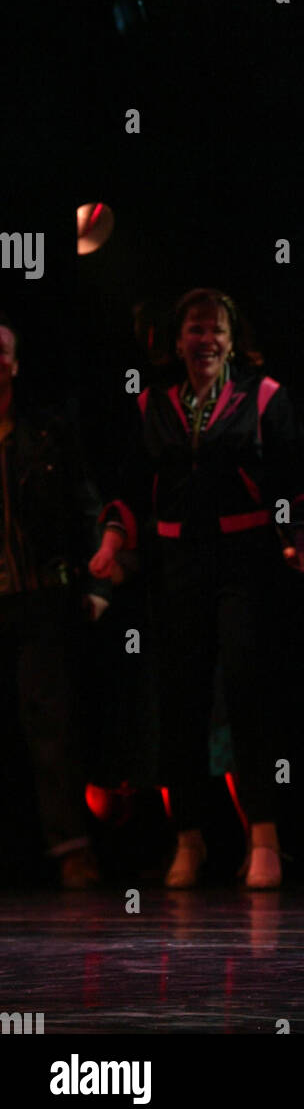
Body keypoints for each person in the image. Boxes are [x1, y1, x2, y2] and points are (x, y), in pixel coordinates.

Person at [90, 288, 304, 890]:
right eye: (194, 329)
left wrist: (298, 538)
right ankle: (188, 839)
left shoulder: (263, 397)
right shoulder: (151, 405)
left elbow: (294, 479)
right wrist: (113, 543)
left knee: (246, 691)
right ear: (178, 340)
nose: (205, 340)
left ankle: (262, 840)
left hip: (245, 564)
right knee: (180, 701)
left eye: (215, 329)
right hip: (176, 565)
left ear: (232, 339)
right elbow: (132, 490)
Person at [0, 311, 109, 888]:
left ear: (14, 364)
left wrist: (96, 585)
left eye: (1, 350)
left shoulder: (44, 432)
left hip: (38, 598)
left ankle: (71, 850)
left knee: (51, 727)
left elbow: (87, 505)